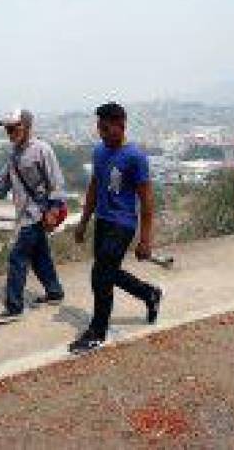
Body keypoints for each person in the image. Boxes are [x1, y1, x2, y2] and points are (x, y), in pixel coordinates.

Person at [69, 101, 163, 353]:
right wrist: (83, 222)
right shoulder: (99, 152)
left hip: (123, 223)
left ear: (121, 126)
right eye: (99, 128)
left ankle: (97, 331)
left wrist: (145, 239)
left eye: (106, 128)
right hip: (103, 220)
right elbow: (93, 189)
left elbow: (146, 201)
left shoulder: (135, 157)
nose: (101, 133)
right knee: (107, 272)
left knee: (100, 275)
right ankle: (149, 293)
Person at [0, 108, 67, 324]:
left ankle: (13, 308)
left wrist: (53, 210)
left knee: (17, 258)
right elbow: (1, 185)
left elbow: (57, 183)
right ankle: (54, 292)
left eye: (14, 127)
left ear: (27, 126)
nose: (10, 132)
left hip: (37, 214)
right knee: (40, 256)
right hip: (26, 215)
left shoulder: (42, 150)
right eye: (8, 128)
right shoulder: (13, 155)